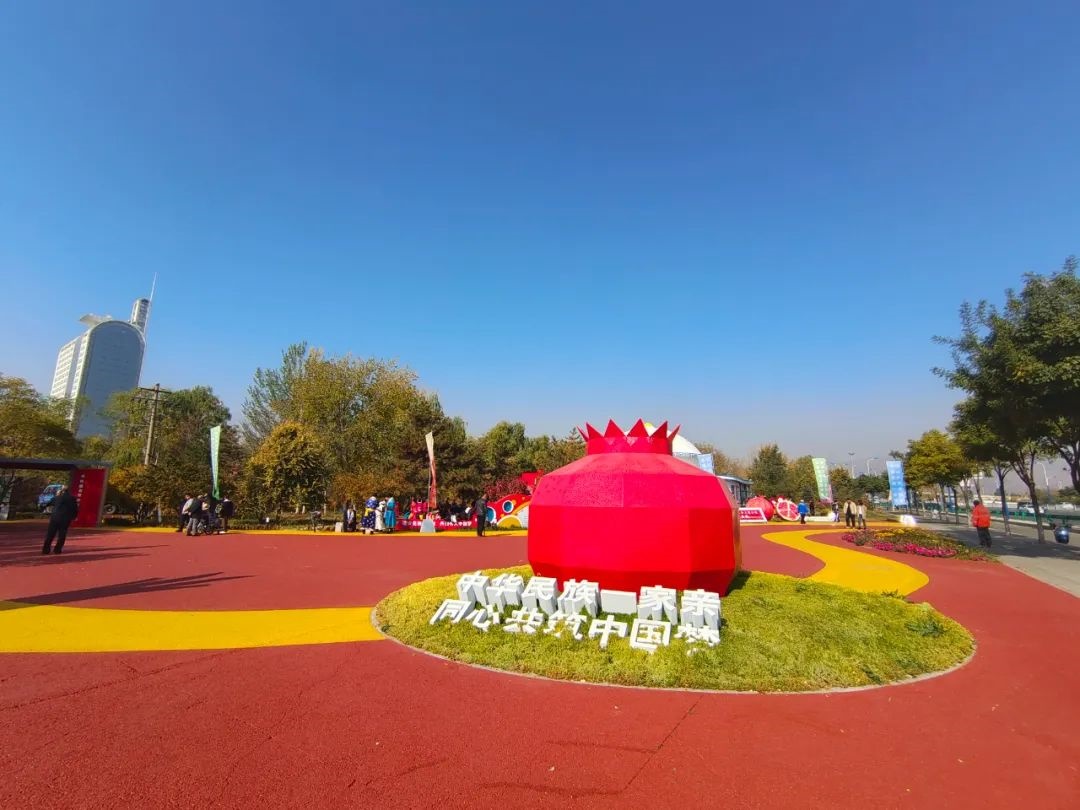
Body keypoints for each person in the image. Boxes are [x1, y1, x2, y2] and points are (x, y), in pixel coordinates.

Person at [42, 485, 79, 554]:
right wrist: (73, 517)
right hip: (66, 518)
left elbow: (47, 504)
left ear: (61, 490)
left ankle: (46, 549)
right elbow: (75, 509)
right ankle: (57, 549)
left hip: (55, 518)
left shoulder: (57, 497)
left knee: (50, 534)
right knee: (62, 535)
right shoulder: (72, 498)